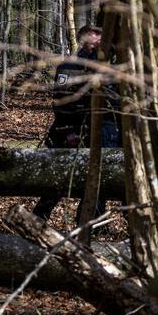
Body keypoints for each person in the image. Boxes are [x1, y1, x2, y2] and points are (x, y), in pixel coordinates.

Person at [32, 25, 122, 224]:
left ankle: (90, 223)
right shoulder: (68, 66)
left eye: (101, 33)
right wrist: (68, 131)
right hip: (74, 128)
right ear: (83, 38)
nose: (99, 37)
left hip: (106, 129)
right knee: (63, 176)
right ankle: (38, 217)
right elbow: (61, 101)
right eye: (94, 33)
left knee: (101, 176)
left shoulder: (111, 66)